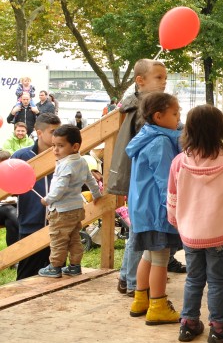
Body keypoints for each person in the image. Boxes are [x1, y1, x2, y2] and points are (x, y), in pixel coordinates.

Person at [168, 105, 223, 343]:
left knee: (194, 278)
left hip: (190, 234)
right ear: (219, 130)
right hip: (218, 233)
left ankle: (189, 323)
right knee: (217, 280)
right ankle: (219, 326)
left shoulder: (179, 163)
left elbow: (172, 198)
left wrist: (176, 221)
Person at [108, 59, 175, 298]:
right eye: (158, 77)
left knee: (139, 232)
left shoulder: (139, 104)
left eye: (165, 78)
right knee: (141, 234)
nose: (164, 81)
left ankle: (129, 278)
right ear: (140, 80)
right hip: (145, 184)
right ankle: (135, 281)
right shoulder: (144, 110)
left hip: (139, 183)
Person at [125, 92, 183, 325]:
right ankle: (158, 303)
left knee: (148, 255)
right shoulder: (160, 141)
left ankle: (141, 299)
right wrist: (172, 207)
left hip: (143, 209)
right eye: (175, 113)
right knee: (160, 257)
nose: (179, 118)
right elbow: (165, 180)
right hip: (158, 209)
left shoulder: (146, 137)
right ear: (159, 116)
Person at [37, 125, 102, 278]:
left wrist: (48, 199)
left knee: (58, 238)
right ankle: (75, 265)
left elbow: (60, 187)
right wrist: (96, 194)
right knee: (74, 238)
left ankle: (55, 266)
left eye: (60, 146)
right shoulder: (81, 161)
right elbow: (91, 180)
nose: (55, 150)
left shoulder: (66, 164)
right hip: (76, 209)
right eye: (54, 145)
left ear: (75, 146)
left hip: (61, 211)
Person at [11, 113, 62, 279]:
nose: (58, 135)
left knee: (57, 273)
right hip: (30, 224)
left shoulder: (64, 156)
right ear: (39, 133)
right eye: (53, 131)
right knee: (26, 274)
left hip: (59, 224)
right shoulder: (20, 157)